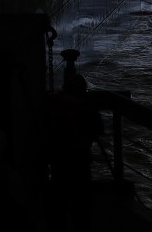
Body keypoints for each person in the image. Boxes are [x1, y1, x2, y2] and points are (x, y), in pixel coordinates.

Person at [47, 72, 103, 232]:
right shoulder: (87, 107)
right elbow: (98, 129)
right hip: (79, 159)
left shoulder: (56, 104)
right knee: (81, 204)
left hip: (61, 160)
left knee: (60, 203)